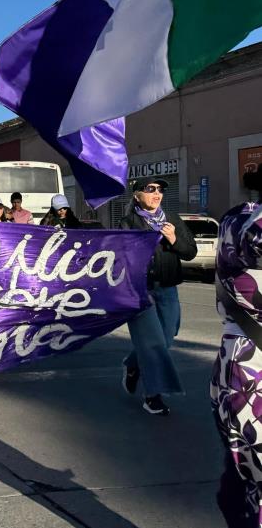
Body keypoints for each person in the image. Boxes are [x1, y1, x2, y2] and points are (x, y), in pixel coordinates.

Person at [210, 172, 262, 526]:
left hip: (240, 360)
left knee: (241, 474)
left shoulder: (238, 218)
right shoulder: (249, 224)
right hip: (252, 367)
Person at [119, 177, 194, 415]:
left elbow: (190, 252)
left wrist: (173, 239)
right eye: (150, 189)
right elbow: (121, 259)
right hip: (142, 292)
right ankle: (153, 396)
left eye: (160, 190)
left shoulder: (171, 219)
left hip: (168, 288)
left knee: (168, 337)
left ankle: (132, 365)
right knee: (153, 345)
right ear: (137, 195)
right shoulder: (128, 222)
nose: (156, 193)